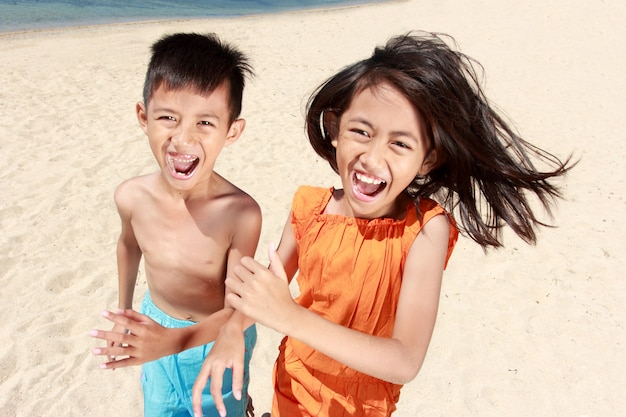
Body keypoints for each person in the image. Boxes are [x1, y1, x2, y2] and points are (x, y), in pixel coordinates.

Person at [190, 31, 574, 416]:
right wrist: (232, 331)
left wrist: (290, 316)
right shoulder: (310, 208)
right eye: (362, 132)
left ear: (428, 159)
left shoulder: (424, 230)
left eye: (401, 144)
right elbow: (266, 290)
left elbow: (405, 360)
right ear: (335, 129)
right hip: (291, 389)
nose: (373, 159)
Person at [90, 32, 261, 417]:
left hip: (215, 335)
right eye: (168, 117)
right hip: (155, 324)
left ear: (231, 131)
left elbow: (240, 304)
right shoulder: (131, 197)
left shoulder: (240, 213)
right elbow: (129, 245)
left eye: (205, 122)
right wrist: (124, 312)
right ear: (143, 117)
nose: (182, 138)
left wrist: (175, 341)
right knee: (161, 409)